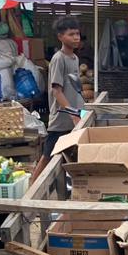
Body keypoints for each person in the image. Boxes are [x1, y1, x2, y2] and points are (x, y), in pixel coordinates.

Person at [33, 16, 85, 181]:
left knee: (72, 153)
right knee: (48, 155)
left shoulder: (75, 58)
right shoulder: (58, 59)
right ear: (60, 37)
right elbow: (56, 91)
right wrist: (73, 114)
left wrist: (81, 110)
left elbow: (75, 87)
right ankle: (32, 185)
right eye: (71, 34)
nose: (76, 37)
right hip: (62, 118)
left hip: (76, 115)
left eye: (77, 34)